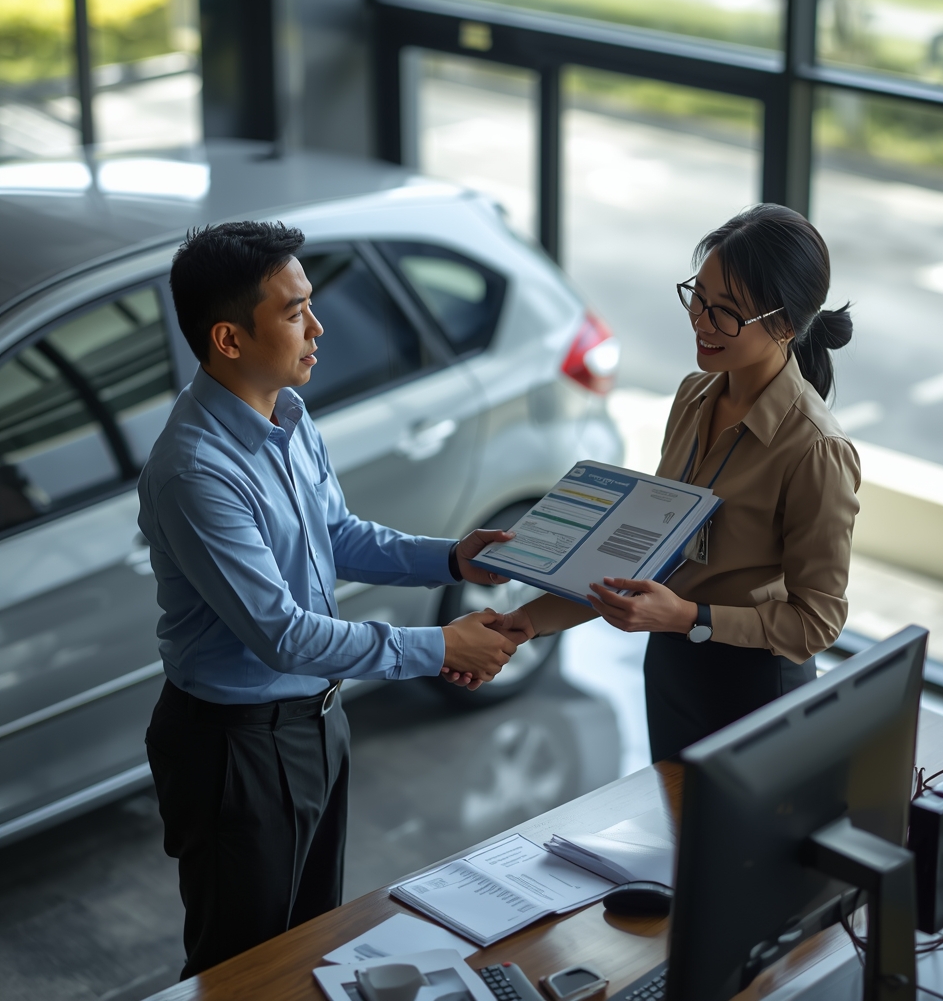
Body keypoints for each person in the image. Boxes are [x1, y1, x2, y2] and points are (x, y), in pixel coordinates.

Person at [139, 221, 517, 978]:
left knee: (312, 948)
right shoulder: (196, 472)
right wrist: (440, 647)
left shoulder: (286, 411)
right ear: (229, 338)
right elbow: (283, 635)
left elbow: (336, 534)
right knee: (241, 972)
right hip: (237, 750)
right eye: (294, 312)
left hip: (315, 722)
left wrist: (450, 558)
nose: (318, 327)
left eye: (311, 303)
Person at [479, 204, 860, 761]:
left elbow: (816, 622)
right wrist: (527, 621)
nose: (701, 322)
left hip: (755, 689)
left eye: (726, 312)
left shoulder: (816, 450)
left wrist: (686, 617)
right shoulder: (692, 397)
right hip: (672, 667)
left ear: (784, 326)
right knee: (675, 815)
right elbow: (642, 561)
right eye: (698, 297)